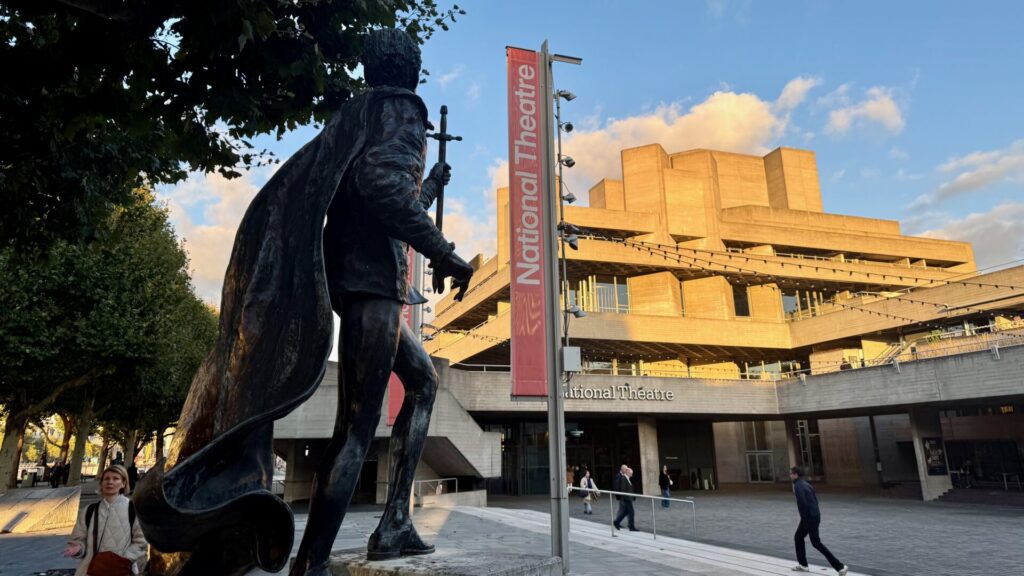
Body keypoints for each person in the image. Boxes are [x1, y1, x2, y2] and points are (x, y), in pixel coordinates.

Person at [63, 465, 148, 576]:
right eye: (106, 479)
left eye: (115, 478)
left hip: (121, 571)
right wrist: (78, 548)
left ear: (123, 483)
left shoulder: (133, 509)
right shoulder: (89, 510)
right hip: (90, 570)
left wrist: (123, 559)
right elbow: (79, 540)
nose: (110, 482)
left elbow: (141, 542)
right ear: (101, 483)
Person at [789, 467, 848, 575]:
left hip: (809, 518)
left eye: (791, 474)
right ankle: (803, 565)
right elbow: (815, 500)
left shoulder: (797, 486)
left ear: (795, 474)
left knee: (816, 543)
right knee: (798, 537)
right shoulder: (806, 484)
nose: (790, 476)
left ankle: (840, 566)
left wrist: (805, 517)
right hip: (814, 515)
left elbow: (802, 503)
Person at [613, 465, 637, 531]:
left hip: (628, 499)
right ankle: (631, 527)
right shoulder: (623, 478)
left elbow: (630, 489)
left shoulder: (627, 478)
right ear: (628, 473)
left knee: (625, 512)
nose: (632, 475)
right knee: (631, 512)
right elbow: (623, 490)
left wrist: (633, 497)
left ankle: (616, 522)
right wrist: (627, 498)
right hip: (626, 499)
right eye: (631, 473)